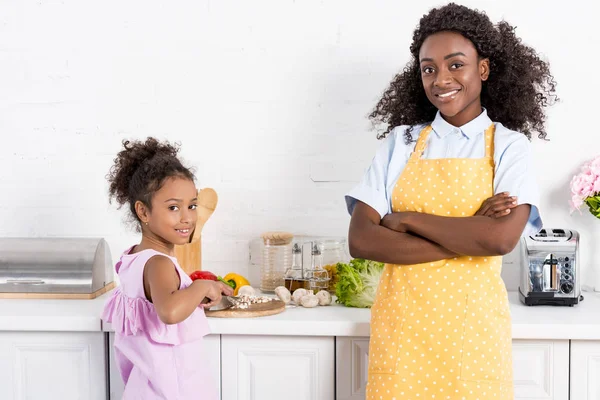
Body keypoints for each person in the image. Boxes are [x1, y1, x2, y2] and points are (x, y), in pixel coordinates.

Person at [345, 3, 557, 399]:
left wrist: (405, 219)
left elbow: (499, 241)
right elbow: (362, 241)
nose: (441, 79)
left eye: (455, 64)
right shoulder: (401, 142)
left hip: (471, 336)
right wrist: (469, 231)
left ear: (483, 69)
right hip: (402, 332)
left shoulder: (509, 147)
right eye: (429, 68)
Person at [102, 137, 233, 399]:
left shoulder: (132, 259)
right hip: (173, 391)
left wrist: (197, 292)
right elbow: (170, 311)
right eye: (173, 207)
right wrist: (200, 285)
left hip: (146, 388)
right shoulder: (159, 263)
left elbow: (158, 303)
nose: (187, 217)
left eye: (192, 205)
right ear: (143, 212)